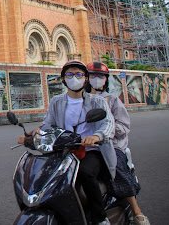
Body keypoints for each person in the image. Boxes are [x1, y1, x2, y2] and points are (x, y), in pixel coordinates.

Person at [20, 60, 116, 225]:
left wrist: (96, 136)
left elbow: (108, 124)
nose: (74, 78)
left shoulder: (97, 101)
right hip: (63, 151)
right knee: (45, 175)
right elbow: (48, 124)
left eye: (78, 74)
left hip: (90, 150)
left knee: (85, 173)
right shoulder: (56, 101)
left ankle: (100, 218)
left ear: (85, 78)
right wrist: (33, 135)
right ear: (63, 79)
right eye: (69, 74)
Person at [86, 62, 150, 225]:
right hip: (85, 146)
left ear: (105, 80)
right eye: (92, 75)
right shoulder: (80, 100)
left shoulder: (112, 100)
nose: (96, 79)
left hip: (111, 145)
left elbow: (123, 126)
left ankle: (136, 211)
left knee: (116, 168)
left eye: (100, 76)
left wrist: (105, 131)